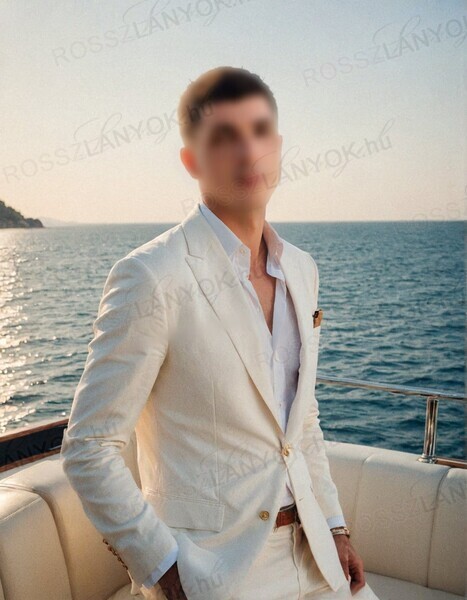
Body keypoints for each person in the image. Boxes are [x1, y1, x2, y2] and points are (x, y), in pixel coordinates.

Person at [61, 66, 380, 600]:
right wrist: (166, 571)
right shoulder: (152, 276)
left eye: (260, 131)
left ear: (278, 147)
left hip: (316, 556)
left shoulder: (302, 269)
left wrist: (335, 526)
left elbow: (300, 422)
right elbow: (88, 447)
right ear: (192, 161)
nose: (247, 150)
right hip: (215, 572)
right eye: (225, 135)